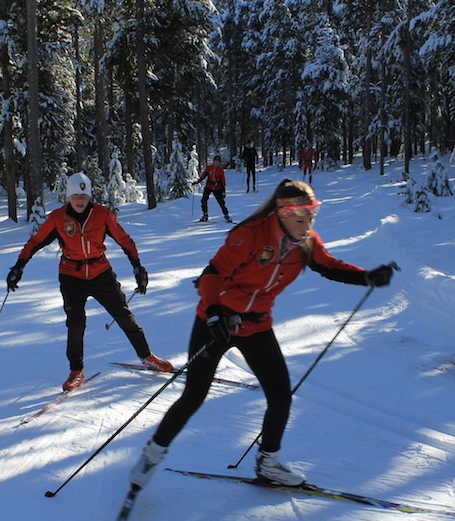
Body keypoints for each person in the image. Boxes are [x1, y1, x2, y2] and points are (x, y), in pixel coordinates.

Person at [129, 178, 395, 488]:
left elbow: (329, 266)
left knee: (281, 395)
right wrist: (215, 314)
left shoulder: (306, 241)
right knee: (194, 394)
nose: (308, 222)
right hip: (219, 322)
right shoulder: (250, 236)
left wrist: (366, 277)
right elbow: (211, 276)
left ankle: (268, 463)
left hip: (256, 325)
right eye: (302, 216)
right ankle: (152, 454)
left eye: (312, 214)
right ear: (283, 213)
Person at [6, 172, 174, 391]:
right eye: (75, 195)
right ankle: (76, 370)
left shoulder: (102, 215)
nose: (80, 200)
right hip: (71, 275)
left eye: (84, 195)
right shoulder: (58, 218)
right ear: (68, 195)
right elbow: (35, 242)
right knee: (76, 323)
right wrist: (19, 267)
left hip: (100, 271)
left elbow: (124, 240)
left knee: (123, 315)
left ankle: (147, 356)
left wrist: (138, 266)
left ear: (89, 196)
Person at [197, 155, 231, 223]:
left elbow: (223, 181)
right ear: (213, 162)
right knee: (204, 200)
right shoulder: (209, 168)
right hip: (209, 186)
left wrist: (223, 191)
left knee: (221, 202)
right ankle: (205, 215)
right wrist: (198, 181)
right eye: (215, 161)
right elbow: (203, 175)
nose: (216, 163)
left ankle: (226, 215)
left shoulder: (220, 170)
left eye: (218, 162)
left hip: (217, 188)